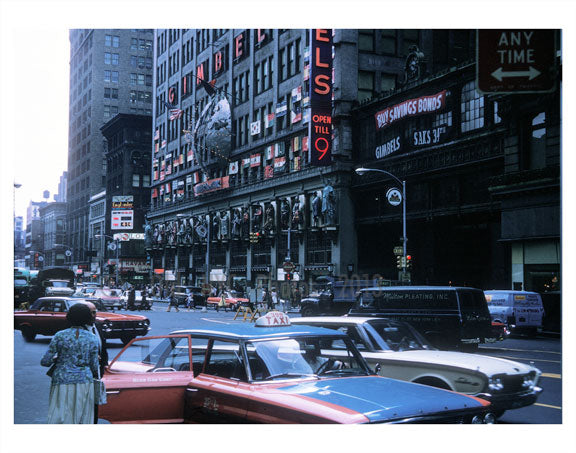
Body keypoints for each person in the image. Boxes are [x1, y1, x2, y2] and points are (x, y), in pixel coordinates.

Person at [40, 303, 99, 424]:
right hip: (84, 381)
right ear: (87, 318)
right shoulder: (92, 338)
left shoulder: (60, 336)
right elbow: (94, 366)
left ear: (69, 317)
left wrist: (57, 358)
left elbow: (45, 361)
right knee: (82, 416)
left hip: (61, 380)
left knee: (60, 415)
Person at [80, 301, 109, 424]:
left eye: (95, 312)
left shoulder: (97, 325)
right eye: (91, 313)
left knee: (95, 403)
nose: (94, 315)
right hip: (82, 375)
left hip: (97, 373)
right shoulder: (77, 331)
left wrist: (104, 365)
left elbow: (103, 347)